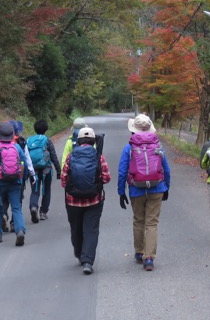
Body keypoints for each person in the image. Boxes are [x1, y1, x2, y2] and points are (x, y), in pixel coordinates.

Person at [117, 114, 170, 271]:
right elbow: (166, 168)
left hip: (136, 188)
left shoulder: (129, 147)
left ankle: (139, 253)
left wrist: (121, 192)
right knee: (152, 223)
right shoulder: (157, 145)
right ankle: (149, 258)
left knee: (138, 220)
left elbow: (122, 171)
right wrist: (167, 187)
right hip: (157, 188)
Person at [60, 127, 111, 275]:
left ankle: (79, 252)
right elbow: (107, 177)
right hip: (94, 200)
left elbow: (64, 180)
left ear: (79, 140)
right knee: (91, 229)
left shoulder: (70, 156)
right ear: (94, 141)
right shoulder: (98, 156)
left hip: (72, 201)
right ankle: (88, 261)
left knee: (76, 228)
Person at [0, 121, 36, 246]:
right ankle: (19, 231)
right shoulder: (17, 147)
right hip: (15, 182)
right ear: (12, 134)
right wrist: (22, 179)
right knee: (16, 208)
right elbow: (23, 162)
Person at [27, 118, 61, 222]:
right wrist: (58, 170)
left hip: (33, 170)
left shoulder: (29, 140)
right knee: (46, 190)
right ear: (46, 129)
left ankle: (33, 207)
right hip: (46, 169)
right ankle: (43, 212)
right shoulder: (47, 140)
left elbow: (26, 156)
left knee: (35, 191)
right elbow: (53, 156)